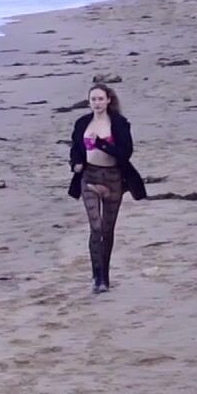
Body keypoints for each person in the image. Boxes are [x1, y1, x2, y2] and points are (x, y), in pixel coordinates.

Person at [67, 83, 147, 293]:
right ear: (89, 102)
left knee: (107, 230)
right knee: (95, 227)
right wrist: (75, 163)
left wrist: (101, 143)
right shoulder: (82, 123)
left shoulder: (119, 123)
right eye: (93, 99)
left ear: (108, 100)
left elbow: (125, 152)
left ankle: (105, 275)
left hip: (113, 178)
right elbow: (75, 148)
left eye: (101, 99)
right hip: (89, 177)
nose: (97, 103)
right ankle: (97, 277)